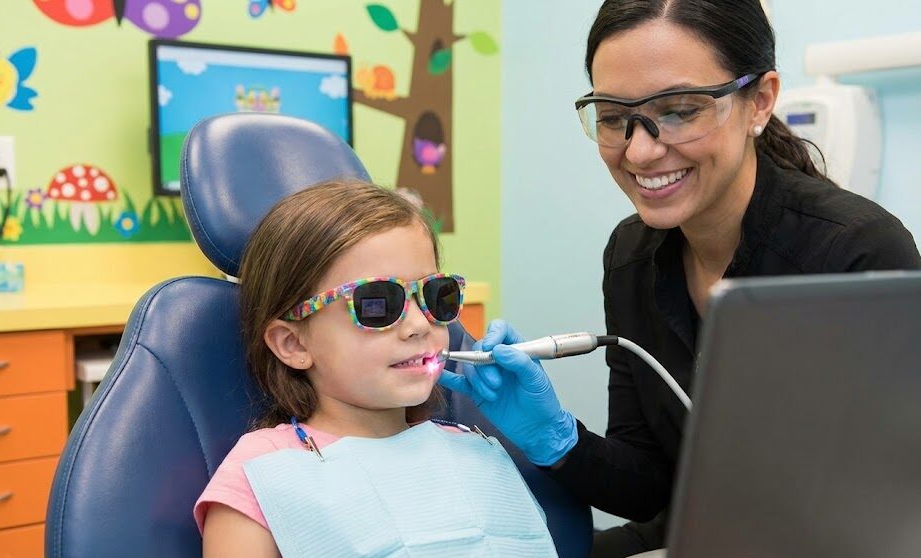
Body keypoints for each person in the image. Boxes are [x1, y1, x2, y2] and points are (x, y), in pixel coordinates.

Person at [438, 1, 921, 557]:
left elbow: (884, 503)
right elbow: (648, 487)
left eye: (679, 111)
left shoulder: (854, 251)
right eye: (615, 118)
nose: (640, 150)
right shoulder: (632, 255)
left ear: (759, 101)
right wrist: (555, 439)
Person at [195, 180, 558, 557]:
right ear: (294, 343)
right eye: (377, 304)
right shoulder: (261, 473)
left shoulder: (472, 448)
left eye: (436, 295)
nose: (420, 325)